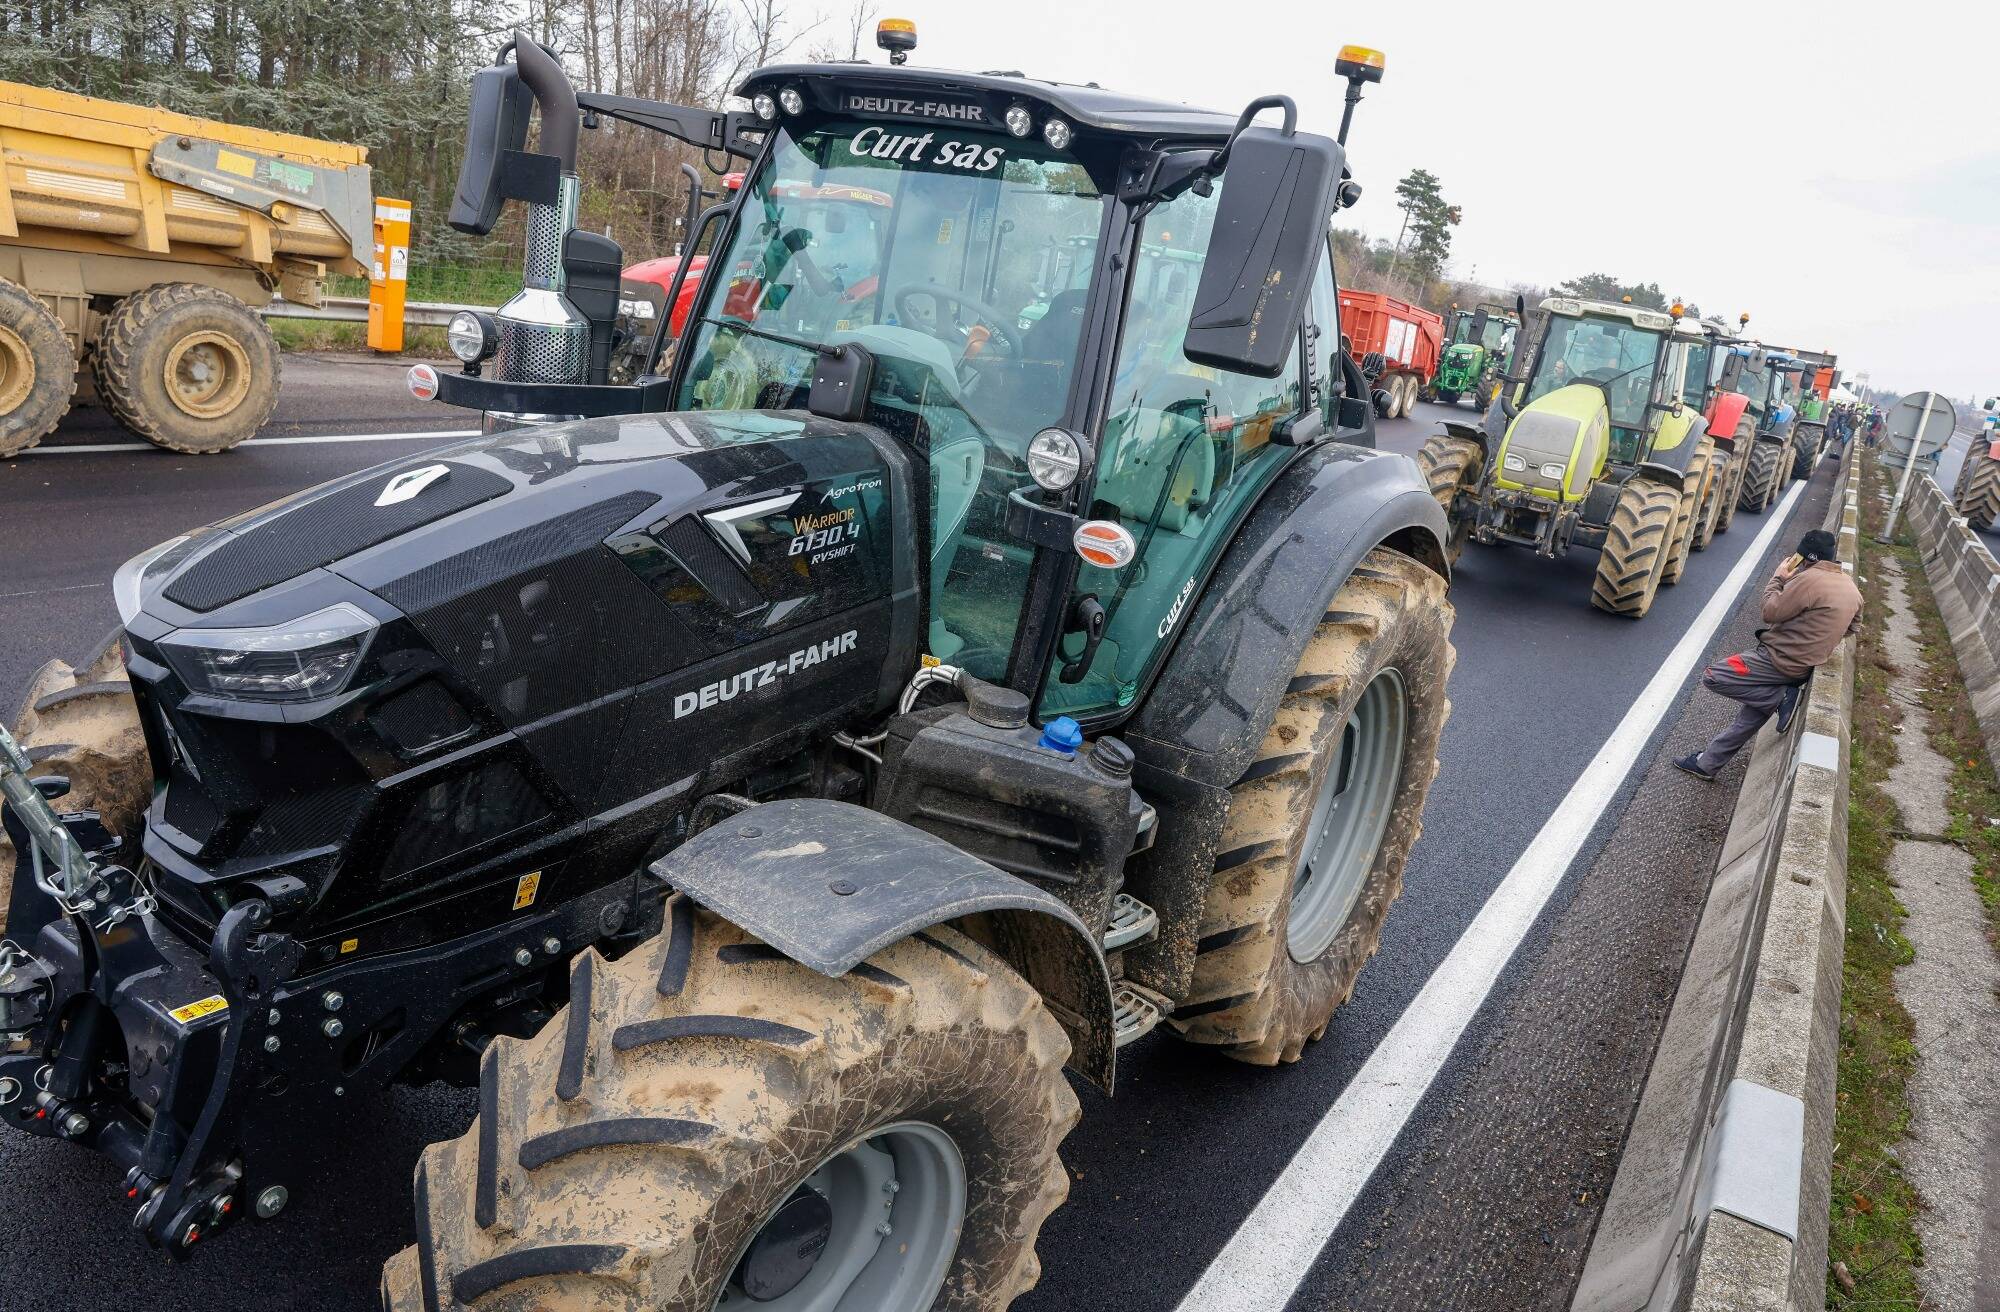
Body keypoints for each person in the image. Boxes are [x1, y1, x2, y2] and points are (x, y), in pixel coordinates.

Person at [1675, 528, 1861, 780]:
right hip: (1804, 666)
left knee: (1714, 676)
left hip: (1777, 661)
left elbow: (1770, 612)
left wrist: (1778, 578)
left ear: (1804, 558)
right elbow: (1852, 627)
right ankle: (1707, 764)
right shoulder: (1851, 588)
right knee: (1752, 714)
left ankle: (1780, 697)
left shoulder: (1806, 580)